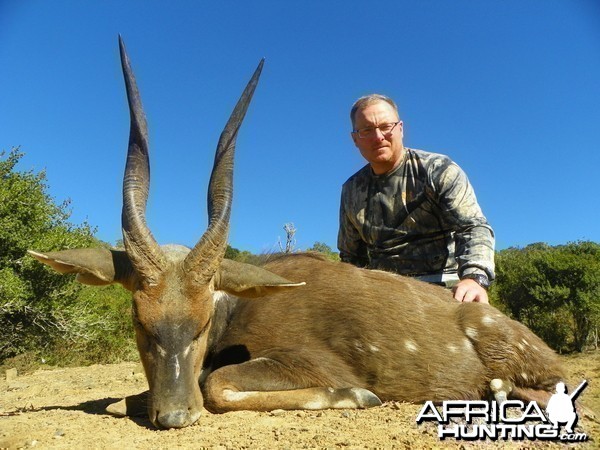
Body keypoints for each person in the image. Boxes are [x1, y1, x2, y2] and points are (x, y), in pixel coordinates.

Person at [338, 94, 495, 303]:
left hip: (443, 289)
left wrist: (474, 278)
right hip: (380, 294)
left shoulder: (437, 169)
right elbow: (351, 258)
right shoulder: (351, 190)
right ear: (355, 139)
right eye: (366, 130)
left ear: (400, 128)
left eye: (386, 126)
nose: (378, 137)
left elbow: (473, 227)